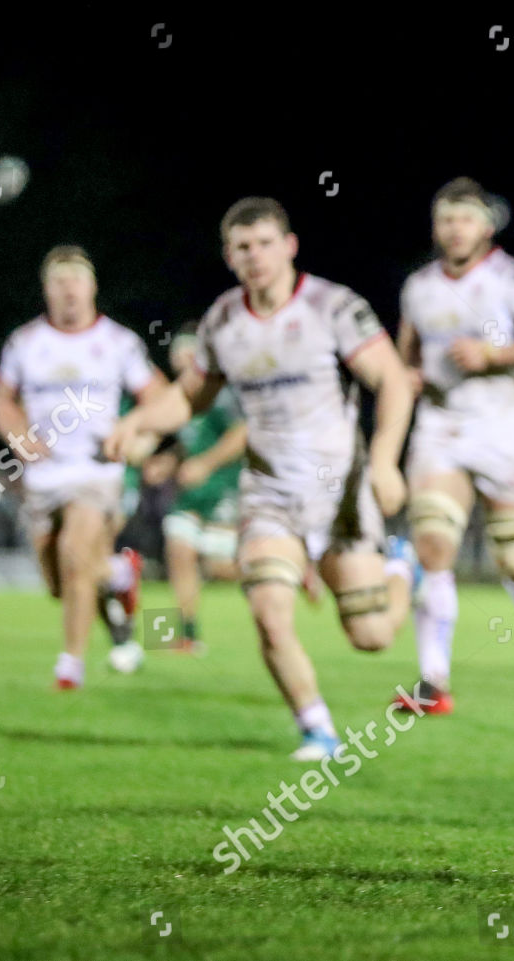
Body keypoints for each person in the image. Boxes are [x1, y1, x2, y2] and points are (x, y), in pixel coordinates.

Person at [106, 197, 417, 760]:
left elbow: (393, 380)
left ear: (290, 246)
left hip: (340, 490)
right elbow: (188, 398)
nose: (255, 257)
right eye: (242, 247)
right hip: (269, 493)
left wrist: (386, 460)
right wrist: (138, 421)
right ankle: (317, 727)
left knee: (372, 638)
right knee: (269, 613)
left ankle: (402, 569)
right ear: (229, 256)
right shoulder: (224, 320)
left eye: (265, 243)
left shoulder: (333, 306)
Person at [394, 178, 514, 711]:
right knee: (432, 541)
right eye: (446, 219)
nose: (455, 229)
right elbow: (407, 354)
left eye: (465, 219)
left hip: (502, 425)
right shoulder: (418, 286)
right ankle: (433, 681)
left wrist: (494, 355)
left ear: (486, 226)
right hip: (441, 425)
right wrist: (405, 377)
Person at [0, 246, 165, 689]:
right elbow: (1, 400)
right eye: (59, 282)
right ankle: (119, 572)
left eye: (76, 280)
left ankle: (71, 665)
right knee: (57, 582)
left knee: (73, 554)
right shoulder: (25, 343)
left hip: (95, 471)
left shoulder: (119, 342)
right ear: (46, 290)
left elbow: (159, 398)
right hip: (44, 476)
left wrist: (137, 436)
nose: (68, 290)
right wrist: (16, 436)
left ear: (92, 287)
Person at [141, 325, 248, 652]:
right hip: (191, 493)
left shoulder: (221, 394)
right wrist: (169, 462)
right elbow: (191, 445)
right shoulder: (181, 398)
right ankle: (186, 634)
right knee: (179, 549)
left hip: (224, 488)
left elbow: (242, 434)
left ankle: (286, 568)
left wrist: (207, 464)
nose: (181, 360)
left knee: (219, 567)